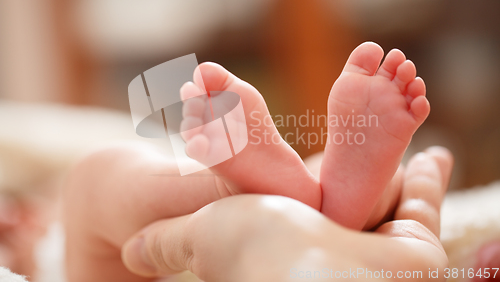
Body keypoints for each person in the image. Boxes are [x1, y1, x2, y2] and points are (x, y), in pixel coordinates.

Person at [64, 42, 441, 281]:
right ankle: (247, 192)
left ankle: (332, 207)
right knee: (88, 182)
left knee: (319, 176)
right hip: (261, 261)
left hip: (276, 261)